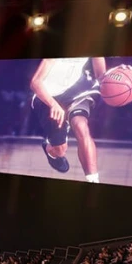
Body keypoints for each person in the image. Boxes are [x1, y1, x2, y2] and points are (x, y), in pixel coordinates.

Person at [30, 56, 109, 184]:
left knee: (81, 126)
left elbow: (102, 77)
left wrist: (118, 75)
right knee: (60, 150)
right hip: (48, 96)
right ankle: (50, 150)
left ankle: (93, 180)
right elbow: (35, 82)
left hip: (76, 91)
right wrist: (53, 104)